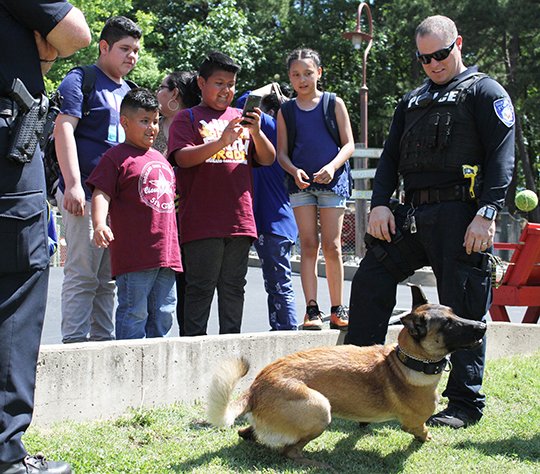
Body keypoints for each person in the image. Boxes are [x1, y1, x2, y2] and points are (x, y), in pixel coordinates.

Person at [346, 15, 515, 429]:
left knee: (464, 308)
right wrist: (382, 204)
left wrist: (487, 213)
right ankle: (357, 387)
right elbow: (389, 160)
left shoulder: (484, 91)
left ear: (458, 43)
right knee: (370, 280)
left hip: (462, 215)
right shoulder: (412, 100)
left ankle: (463, 403)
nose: (434, 64)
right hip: (412, 213)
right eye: (425, 59)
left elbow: (501, 158)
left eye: (441, 54)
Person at [0, 1, 90, 471]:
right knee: (15, 296)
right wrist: (45, 49)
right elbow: (76, 34)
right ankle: (5, 456)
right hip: (6, 166)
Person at [168, 51, 275, 336]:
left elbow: (267, 158)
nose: (226, 90)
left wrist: (256, 133)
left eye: (231, 84)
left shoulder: (241, 118)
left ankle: (230, 350)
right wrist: (221, 141)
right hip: (202, 223)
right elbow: (182, 158)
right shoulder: (187, 118)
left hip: (240, 221)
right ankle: (192, 354)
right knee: (200, 289)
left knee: (233, 289)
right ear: (201, 83)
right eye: (219, 83)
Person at [54, 16, 142, 343]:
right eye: (124, 48)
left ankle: (101, 346)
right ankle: (74, 347)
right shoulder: (82, 79)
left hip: (118, 204)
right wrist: (73, 184)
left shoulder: (131, 91)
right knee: (82, 276)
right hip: (86, 195)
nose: (131, 56)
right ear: (104, 47)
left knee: (108, 281)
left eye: (135, 50)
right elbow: (63, 129)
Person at [87, 88, 182, 340]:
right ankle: (128, 374)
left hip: (168, 254)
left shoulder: (161, 159)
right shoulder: (115, 157)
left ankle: (157, 373)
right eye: (144, 121)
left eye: (155, 121)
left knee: (164, 312)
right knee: (134, 313)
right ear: (125, 122)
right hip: (135, 255)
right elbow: (101, 193)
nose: (151, 127)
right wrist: (99, 224)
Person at [277, 48, 354, 331]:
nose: (303, 79)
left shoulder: (334, 103)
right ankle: (312, 309)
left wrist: (332, 167)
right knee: (308, 245)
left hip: (333, 183)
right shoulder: (286, 110)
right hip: (301, 186)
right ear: (290, 78)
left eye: (308, 73)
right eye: (296, 75)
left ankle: (338, 308)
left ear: (319, 73)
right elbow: (281, 153)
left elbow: (349, 145)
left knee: (333, 246)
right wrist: (293, 170)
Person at [237, 88, 299, 331]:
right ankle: (283, 329)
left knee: (278, 284)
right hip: (279, 220)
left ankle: (286, 331)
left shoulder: (271, 127)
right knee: (278, 282)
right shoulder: (285, 135)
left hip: (271, 220)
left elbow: (243, 102)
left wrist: (269, 87)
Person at [155, 71, 201, 335]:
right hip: (157, 215)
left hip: (188, 216)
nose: (156, 93)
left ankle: (188, 336)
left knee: (188, 284)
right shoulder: (150, 124)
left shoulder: (196, 126)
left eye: (162, 87)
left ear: (174, 94)